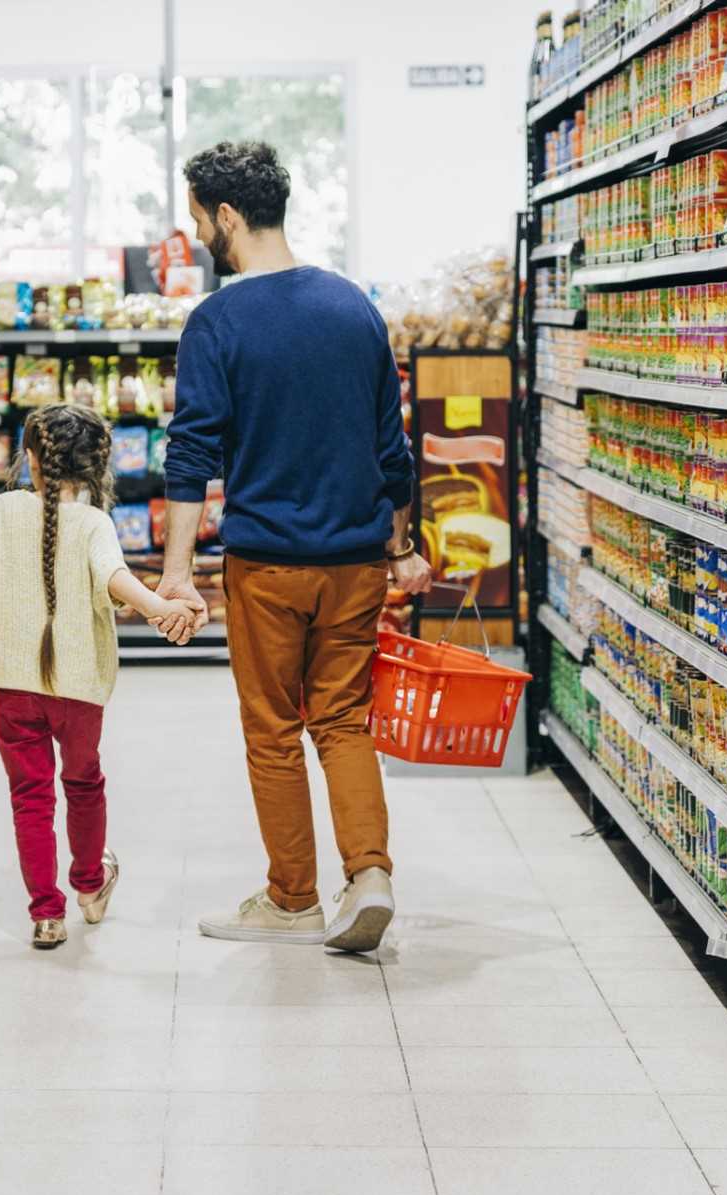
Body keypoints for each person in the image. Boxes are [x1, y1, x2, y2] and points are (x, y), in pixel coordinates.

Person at [158, 140, 431, 954]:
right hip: (354, 564)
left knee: (274, 729)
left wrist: (176, 573)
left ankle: (292, 899)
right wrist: (403, 544)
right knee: (344, 720)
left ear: (228, 215)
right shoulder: (353, 306)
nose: (199, 230)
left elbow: (191, 453)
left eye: (200, 216)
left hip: (268, 564)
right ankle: (371, 874)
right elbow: (394, 450)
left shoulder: (218, 321)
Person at [0, 405, 199, 949]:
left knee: (30, 797)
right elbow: (114, 578)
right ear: (98, 465)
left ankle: (46, 914)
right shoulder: (94, 523)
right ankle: (90, 887)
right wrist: (160, 611)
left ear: (30, 460)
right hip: (78, 690)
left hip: (13, 689)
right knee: (83, 782)